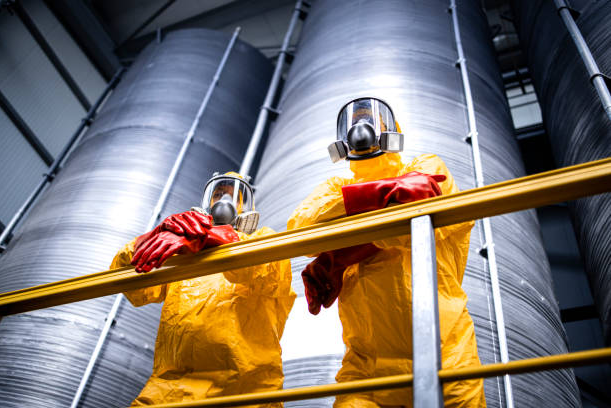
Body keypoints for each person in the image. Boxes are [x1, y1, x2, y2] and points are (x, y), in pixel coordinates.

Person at [288, 98, 486, 407]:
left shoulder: (426, 166)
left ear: (392, 129)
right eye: (355, 120)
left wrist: (338, 254)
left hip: (446, 355)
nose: (362, 127)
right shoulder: (335, 184)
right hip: (366, 370)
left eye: (373, 119)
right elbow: (303, 230)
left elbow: (414, 206)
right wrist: (375, 198)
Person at [110, 172, 296, 406]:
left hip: (245, 391)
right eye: (218, 194)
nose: (223, 201)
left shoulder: (262, 240)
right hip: (170, 391)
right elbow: (134, 288)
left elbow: (269, 272)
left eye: (232, 196)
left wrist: (222, 239)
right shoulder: (184, 251)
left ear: (246, 207)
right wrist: (150, 239)